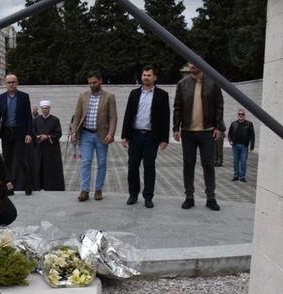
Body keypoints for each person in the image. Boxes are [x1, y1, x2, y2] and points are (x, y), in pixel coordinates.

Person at [173, 62, 225, 211]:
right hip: (188, 132)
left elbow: (219, 106)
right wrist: (176, 128)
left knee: (208, 165)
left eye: (196, 62)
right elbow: (177, 107)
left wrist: (218, 127)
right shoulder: (182, 84)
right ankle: (189, 197)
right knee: (188, 165)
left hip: (207, 131)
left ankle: (211, 198)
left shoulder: (213, 83)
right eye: (190, 63)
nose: (193, 65)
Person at [121, 65, 170, 208]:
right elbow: (128, 115)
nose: (146, 77)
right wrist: (125, 135)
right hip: (135, 135)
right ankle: (133, 195)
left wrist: (164, 139)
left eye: (149, 75)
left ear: (155, 77)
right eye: (144, 75)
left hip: (151, 137)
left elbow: (165, 117)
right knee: (132, 166)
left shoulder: (162, 95)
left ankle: (148, 197)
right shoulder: (134, 93)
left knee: (149, 167)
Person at [71, 71, 117, 202]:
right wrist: (74, 131)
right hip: (86, 134)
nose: (92, 85)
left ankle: (98, 190)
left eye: (94, 82)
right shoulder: (83, 96)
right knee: (86, 162)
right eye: (90, 83)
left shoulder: (109, 96)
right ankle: (84, 190)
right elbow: (77, 115)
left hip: (101, 135)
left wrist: (111, 133)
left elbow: (113, 117)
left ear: (100, 81)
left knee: (102, 163)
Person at [0, 74, 34, 196]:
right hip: (6, 133)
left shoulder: (24, 97)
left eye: (13, 82)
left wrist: (29, 133)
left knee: (21, 159)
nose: (11, 84)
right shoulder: (0, 98)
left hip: (20, 133)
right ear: (5, 84)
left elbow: (28, 117)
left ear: (17, 83)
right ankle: (10, 187)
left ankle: (28, 185)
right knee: (7, 161)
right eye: (8, 82)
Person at [33, 100, 65, 191]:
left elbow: (58, 134)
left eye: (46, 108)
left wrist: (47, 136)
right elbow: (32, 133)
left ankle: (52, 187)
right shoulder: (35, 120)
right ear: (41, 109)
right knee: (39, 167)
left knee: (51, 169)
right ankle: (38, 186)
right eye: (43, 109)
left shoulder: (55, 120)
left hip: (51, 150)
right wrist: (37, 136)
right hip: (39, 149)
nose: (45, 110)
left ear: (49, 109)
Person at [228, 109, 255, 182]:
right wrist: (230, 141)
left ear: (244, 115)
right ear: (237, 115)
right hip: (235, 146)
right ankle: (236, 175)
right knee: (235, 161)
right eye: (239, 114)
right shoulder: (233, 123)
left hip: (244, 146)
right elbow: (229, 134)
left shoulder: (249, 124)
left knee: (243, 161)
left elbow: (252, 135)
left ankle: (242, 176)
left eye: (242, 114)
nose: (241, 115)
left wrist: (252, 146)